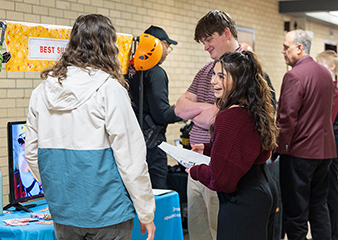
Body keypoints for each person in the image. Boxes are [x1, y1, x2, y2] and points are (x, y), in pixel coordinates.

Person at [25, 14, 156, 240]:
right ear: (109, 47)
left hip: (64, 213)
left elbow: (31, 153)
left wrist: (60, 191)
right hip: (109, 213)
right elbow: (131, 158)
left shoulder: (41, 92)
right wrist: (146, 211)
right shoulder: (110, 89)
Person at [186, 50, 279, 240]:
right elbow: (247, 148)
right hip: (262, 189)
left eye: (221, 76)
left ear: (239, 80)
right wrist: (210, 148)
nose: (213, 81)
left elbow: (221, 180)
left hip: (243, 200)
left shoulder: (231, 116)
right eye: (214, 74)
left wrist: (195, 170)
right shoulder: (252, 107)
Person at [174, 10, 242, 240]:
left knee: (217, 230)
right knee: (198, 231)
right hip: (196, 161)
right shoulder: (206, 69)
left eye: (208, 39)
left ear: (226, 33)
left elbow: (222, 118)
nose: (205, 47)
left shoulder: (243, 68)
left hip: (219, 162)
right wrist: (206, 109)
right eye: (202, 42)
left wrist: (200, 112)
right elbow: (180, 108)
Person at [273, 29, 336, 240]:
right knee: (319, 208)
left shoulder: (294, 76)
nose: (282, 52)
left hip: (299, 153)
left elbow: (286, 120)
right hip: (325, 152)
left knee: (296, 214)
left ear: (299, 48)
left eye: (285, 47)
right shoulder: (326, 74)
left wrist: (277, 149)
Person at [129, 25, 181, 189]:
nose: (167, 52)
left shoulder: (130, 70)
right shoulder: (156, 72)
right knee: (157, 193)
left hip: (133, 142)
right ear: (159, 44)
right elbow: (162, 115)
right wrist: (183, 112)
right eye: (167, 46)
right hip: (152, 145)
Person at [316, 50, 338, 240]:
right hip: (325, 145)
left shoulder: (333, 90)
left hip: (331, 146)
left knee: (331, 192)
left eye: (320, 64)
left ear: (331, 67)